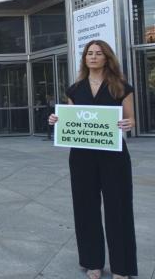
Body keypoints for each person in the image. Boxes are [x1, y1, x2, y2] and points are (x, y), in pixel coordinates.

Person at [48, 40, 137, 279]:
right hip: (82, 156)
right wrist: (58, 121)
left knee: (118, 208)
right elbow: (70, 119)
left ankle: (122, 266)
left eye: (98, 53)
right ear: (85, 59)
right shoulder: (75, 89)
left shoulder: (122, 87)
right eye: (90, 53)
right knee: (85, 208)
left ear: (107, 58)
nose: (93, 57)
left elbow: (131, 120)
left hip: (113, 156)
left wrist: (129, 124)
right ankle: (92, 262)